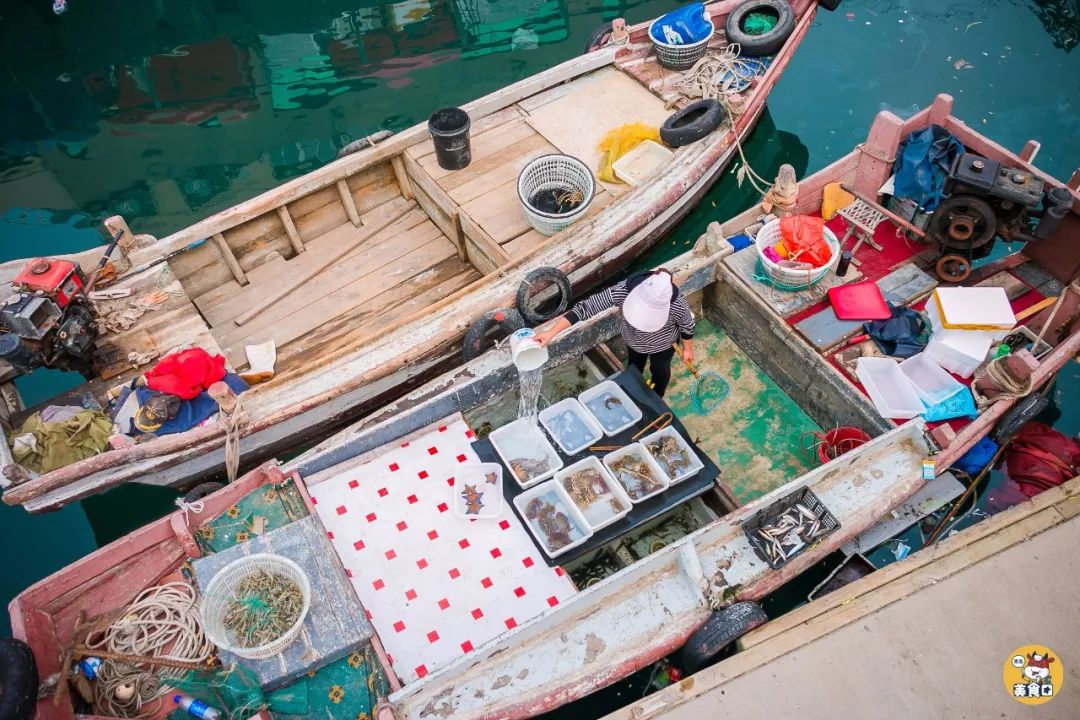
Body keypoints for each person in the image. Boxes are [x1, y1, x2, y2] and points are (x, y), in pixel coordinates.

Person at [533, 269, 694, 397]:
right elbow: (586, 308)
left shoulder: (677, 305)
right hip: (633, 341)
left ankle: (657, 395)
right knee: (634, 366)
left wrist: (687, 349)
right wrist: (551, 332)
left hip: (664, 345)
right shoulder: (623, 291)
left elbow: (687, 325)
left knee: (660, 370)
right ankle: (634, 386)